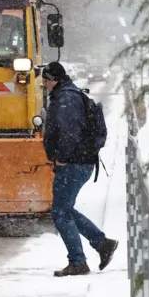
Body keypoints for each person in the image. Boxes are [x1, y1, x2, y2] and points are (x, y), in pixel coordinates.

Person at [41, 61, 118, 277]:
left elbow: (68, 132)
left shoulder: (66, 98)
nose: (44, 85)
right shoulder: (67, 94)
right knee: (65, 209)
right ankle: (102, 244)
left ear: (53, 79)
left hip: (74, 163)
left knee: (60, 212)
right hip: (79, 161)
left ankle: (78, 262)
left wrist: (62, 158)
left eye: (46, 80)